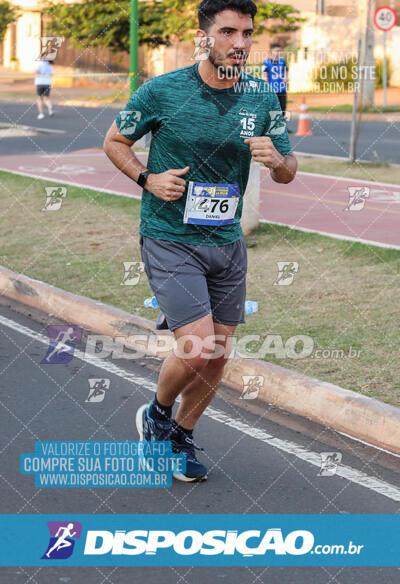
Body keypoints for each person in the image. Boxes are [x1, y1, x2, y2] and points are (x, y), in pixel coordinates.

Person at [104, 0, 297, 482]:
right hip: (171, 237)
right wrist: (147, 177)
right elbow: (114, 141)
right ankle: (157, 412)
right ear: (205, 37)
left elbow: (290, 171)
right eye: (228, 32)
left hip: (226, 240)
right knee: (197, 345)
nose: (240, 43)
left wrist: (276, 160)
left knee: (220, 351)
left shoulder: (262, 97)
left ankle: (180, 434)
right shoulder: (162, 91)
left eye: (248, 33)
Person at [263, 44, 291, 131]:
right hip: (272, 89)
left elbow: (286, 71)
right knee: (272, 108)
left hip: (281, 88)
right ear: (271, 51)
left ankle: (282, 127)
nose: (278, 53)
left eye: (280, 51)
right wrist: (267, 87)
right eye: (276, 51)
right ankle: (270, 127)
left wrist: (286, 77)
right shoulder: (266, 63)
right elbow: (265, 75)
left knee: (283, 108)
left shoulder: (282, 61)